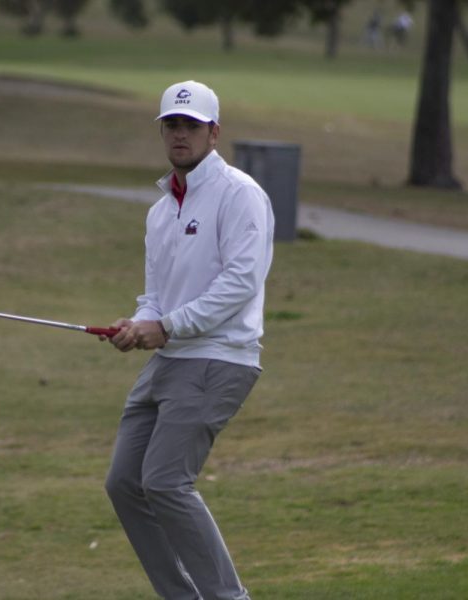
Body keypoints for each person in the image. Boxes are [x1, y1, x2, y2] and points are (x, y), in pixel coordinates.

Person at [102, 80, 275, 600]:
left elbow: (241, 283)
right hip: (171, 360)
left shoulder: (240, 194)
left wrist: (168, 326)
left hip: (219, 358)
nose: (180, 134)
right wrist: (138, 325)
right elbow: (155, 296)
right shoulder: (159, 212)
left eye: (191, 125)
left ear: (213, 132)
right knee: (125, 484)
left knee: (166, 481)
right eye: (172, 125)